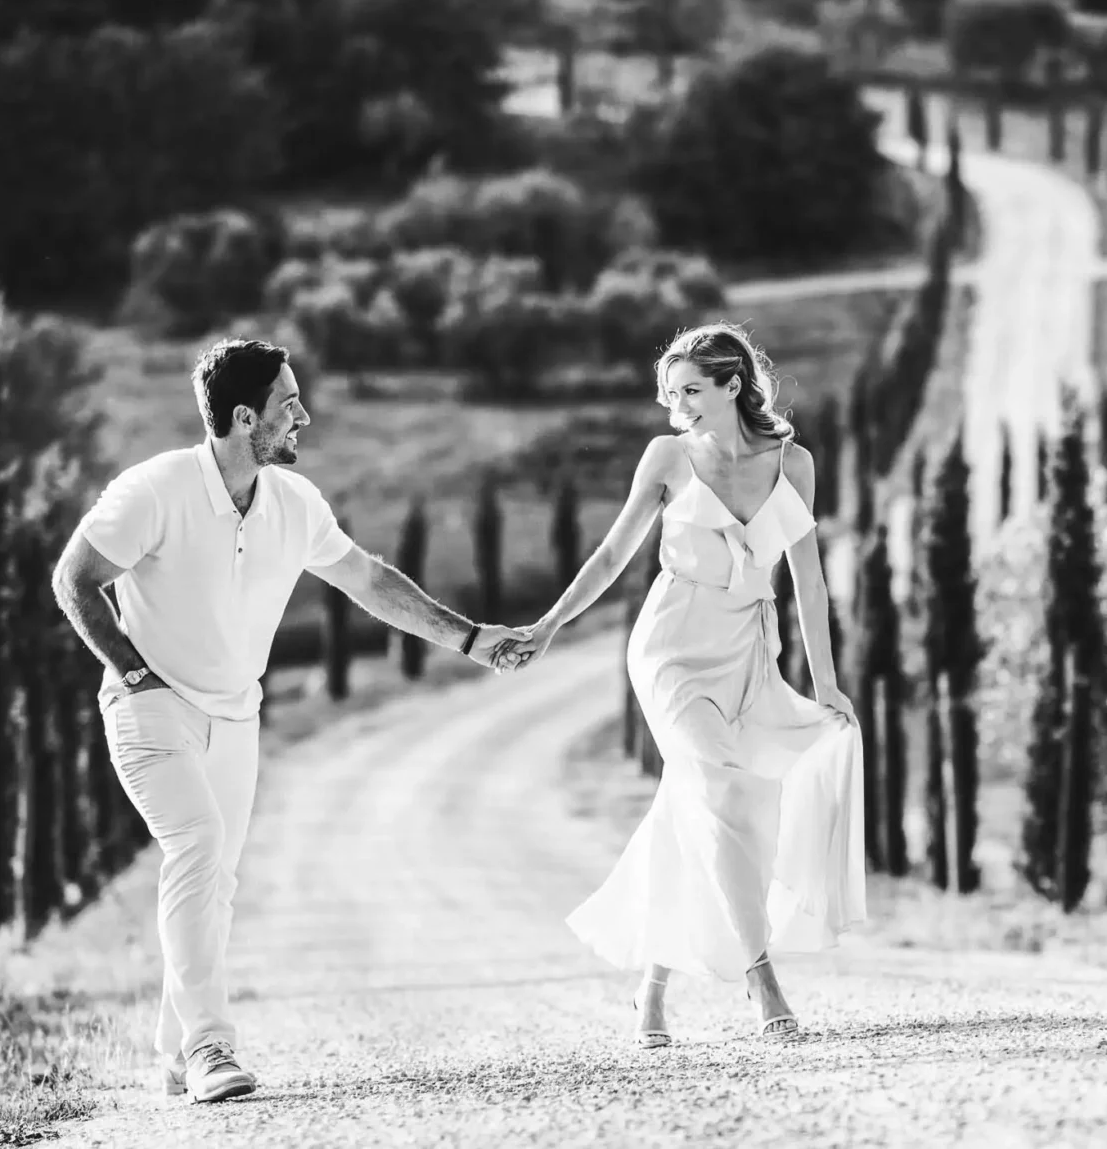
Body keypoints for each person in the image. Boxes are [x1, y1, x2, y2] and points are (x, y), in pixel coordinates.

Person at [51, 337, 528, 1103]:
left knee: (218, 880)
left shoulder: (294, 504)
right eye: (289, 403)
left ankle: (174, 1050)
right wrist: (132, 673)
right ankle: (210, 1048)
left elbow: (370, 581)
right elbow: (74, 579)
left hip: (238, 716)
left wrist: (469, 638)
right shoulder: (155, 489)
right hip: (151, 710)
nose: (303, 415)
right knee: (198, 850)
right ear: (245, 418)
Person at [505, 323, 866, 1047]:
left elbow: (812, 586)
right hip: (670, 648)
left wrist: (825, 682)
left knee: (701, 803)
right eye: (671, 394)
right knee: (719, 788)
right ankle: (762, 981)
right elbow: (613, 554)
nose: (679, 407)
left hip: (747, 653)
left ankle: (651, 990)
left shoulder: (794, 466)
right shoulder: (668, 457)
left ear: (735, 385)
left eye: (692, 391)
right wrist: (548, 625)